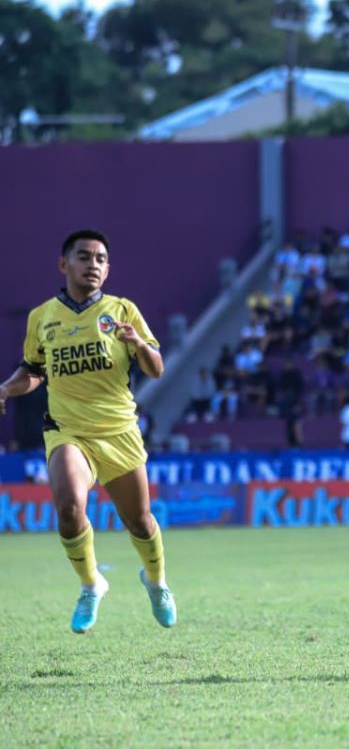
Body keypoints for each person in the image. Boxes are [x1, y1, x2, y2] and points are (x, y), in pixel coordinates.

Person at [0, 230, 177, 633]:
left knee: (141, 522)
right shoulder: (42, 317)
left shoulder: (123, 310)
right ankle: (91, 583)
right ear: (64, 265)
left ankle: (156, 581)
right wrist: (7, 388)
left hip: (118, 431)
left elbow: (156, 368)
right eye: (84, 257)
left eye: (100, 259)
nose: (93, 265)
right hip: (67, 429)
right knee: (69, 508)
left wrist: (139, 344)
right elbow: (33, 371)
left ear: (108, 269)